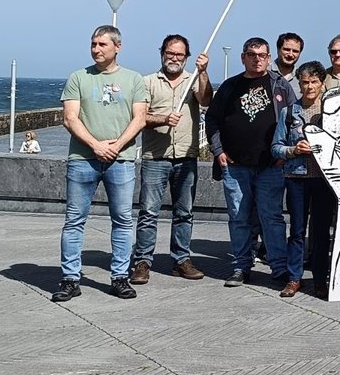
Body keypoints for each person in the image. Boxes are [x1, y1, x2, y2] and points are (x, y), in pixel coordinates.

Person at [52, 26, 149, 303]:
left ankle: (119, 277)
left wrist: (116, 146)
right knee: (74, 221)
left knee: (122, 220)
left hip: (122, 160)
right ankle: (70, 279)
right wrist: (96, 145)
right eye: (93, 44)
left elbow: (140, 118)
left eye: (102, 44)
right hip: (83, 160)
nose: (96, 49)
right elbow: (70, 118)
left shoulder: (133, 79)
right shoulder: (78, 77)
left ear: (117, 47)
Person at [205, 37, 298, 289]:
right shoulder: (229, 86)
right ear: (243, 57)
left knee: (272, 218)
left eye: (262, 55)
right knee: (239, 218)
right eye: (252, 55)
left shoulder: (280, 85)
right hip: (235, 166)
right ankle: (241, 267)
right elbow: (212, 119)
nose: (257, 59)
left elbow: (295, 120)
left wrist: (285, 153)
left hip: (271, 166)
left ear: (269, 58)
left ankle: (279, 268)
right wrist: (218, 151)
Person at [130, 35, 212, 285]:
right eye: (170, 53)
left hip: (186, 157)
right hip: (155, 157)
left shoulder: (193, 79)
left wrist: (203, 72)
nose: (175, 58)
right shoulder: (147, 82)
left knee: (184, 212)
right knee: (148, 212)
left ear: (186, 57)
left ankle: (181, 260)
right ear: (162, 53)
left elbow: (206, 99)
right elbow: (140, 117)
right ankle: (142, 261)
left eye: (180, 54)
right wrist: (163, 119)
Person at [270, 60, 331, 298]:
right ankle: (294, 278)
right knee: (296, 230)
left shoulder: (331, 113)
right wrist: (293, 150)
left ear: (322, 83)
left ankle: (320, 279)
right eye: (305, 82)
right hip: (296, 178)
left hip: (324, 180)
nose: (309, 87)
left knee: (321, 232)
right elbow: (276, 147)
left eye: (314, 82)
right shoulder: (288, 112)